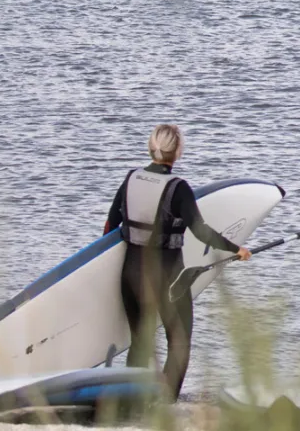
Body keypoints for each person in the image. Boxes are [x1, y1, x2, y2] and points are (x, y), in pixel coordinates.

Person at [103, 125, 251, 400]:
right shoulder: (178, 188)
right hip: (167, 278)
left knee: (140, 342)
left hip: (130, 275)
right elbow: (200, 231)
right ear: (178, 152)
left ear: (151, 148)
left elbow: (111, 224)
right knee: (179, 343)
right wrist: (236, 249)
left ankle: (129, 402)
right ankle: (165, 406)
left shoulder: (131, 178)